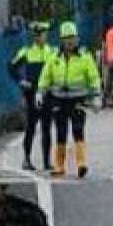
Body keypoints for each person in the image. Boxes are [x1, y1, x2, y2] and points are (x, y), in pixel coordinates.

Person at [38, 20, 100, 178]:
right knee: (61, 132)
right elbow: (45, 77)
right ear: (62, 40)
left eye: (73, 37)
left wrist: (96, 96)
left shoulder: (85, 57)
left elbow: (93, 77)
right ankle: (59, 166)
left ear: (77, 39)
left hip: (78, 100)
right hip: (58, 100)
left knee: (78, 130)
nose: (71, 41)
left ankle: (82, 164)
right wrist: (40, 92)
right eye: (67, 38)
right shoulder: (54, 58)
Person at [9, 21, 57, 173]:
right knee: (30, 127)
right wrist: (20, 80)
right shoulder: (26, 52)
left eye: (42, 34)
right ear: (34, 36)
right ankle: (27, 158)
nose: (41, 37)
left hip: (47, 94)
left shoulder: (52, 51)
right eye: (38, 34)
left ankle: (46, 161)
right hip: (31, 95)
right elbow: (11, 66)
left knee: (47, 128)